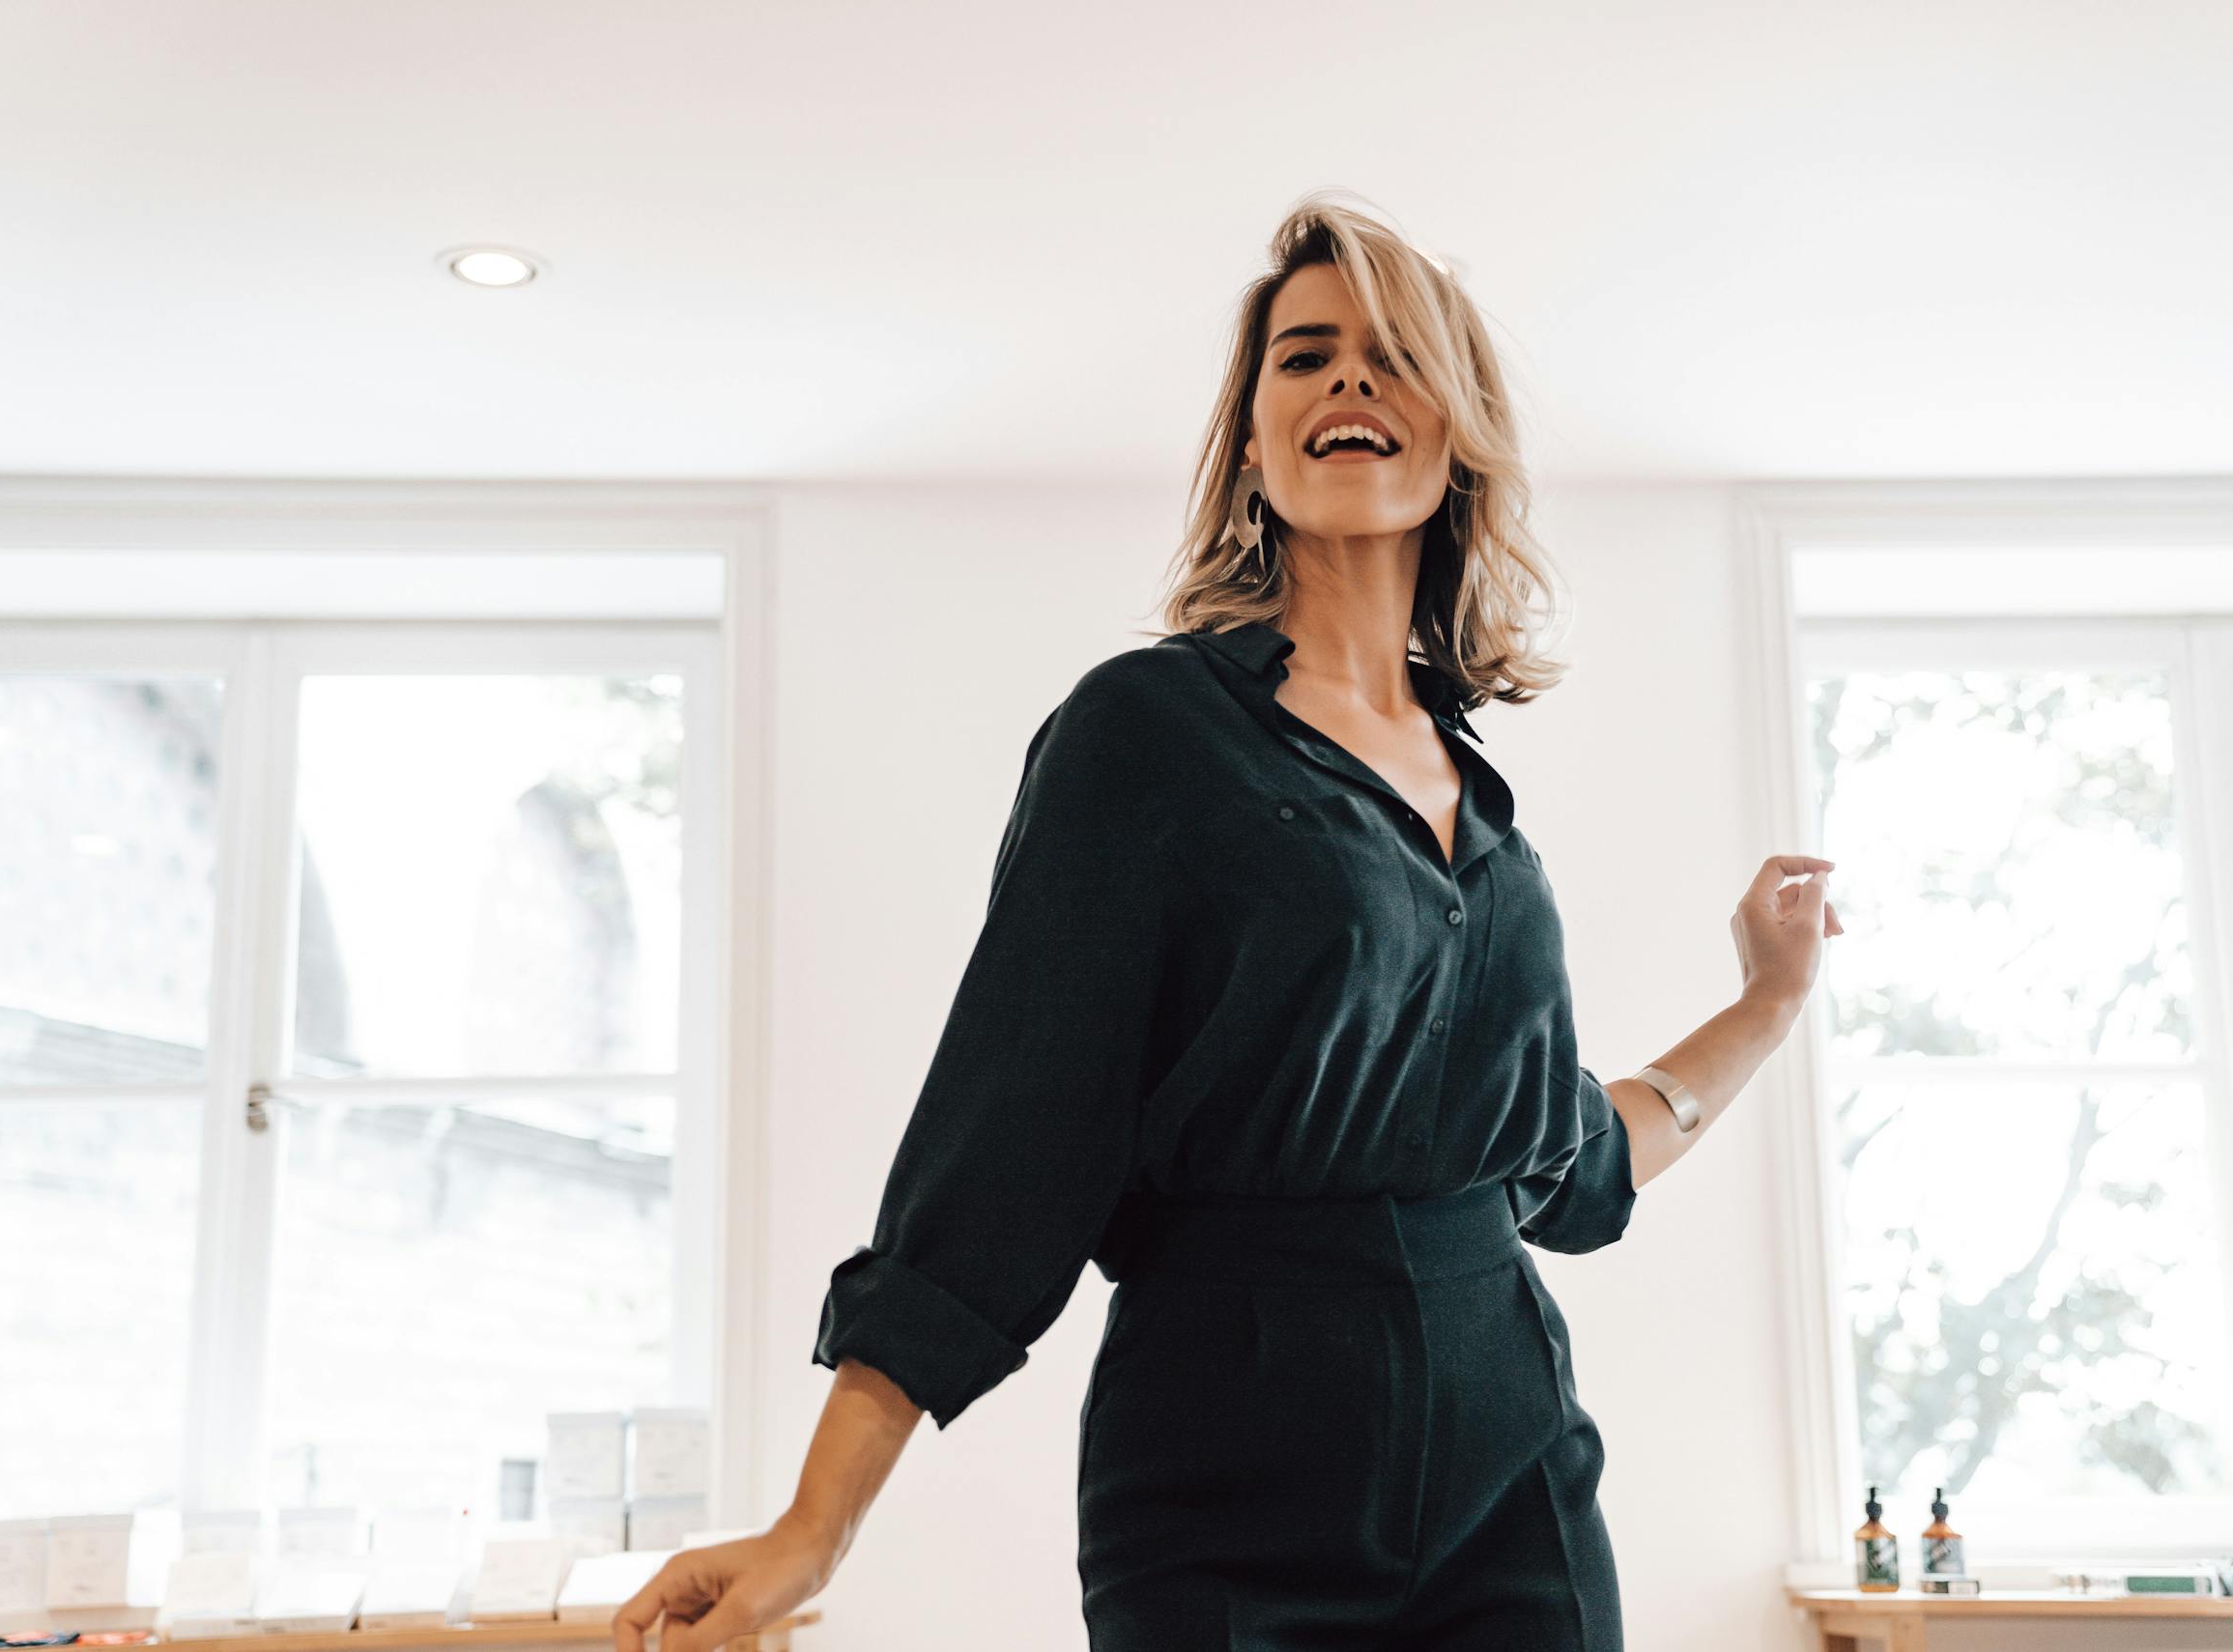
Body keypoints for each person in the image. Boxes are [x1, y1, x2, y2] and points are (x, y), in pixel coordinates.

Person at [614, 187, 1839, 1652]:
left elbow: (1566, 1164)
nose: (1347, 381)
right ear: (1254, 442)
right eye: (1305, 356)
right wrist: (815, 1527)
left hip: (1517, 1473)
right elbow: (1006, 1142)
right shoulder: (1150, 732)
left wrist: (1765, 1007)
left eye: (1392, 354)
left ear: (1456, 434)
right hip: (1227, 1468)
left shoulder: (1491, 822)